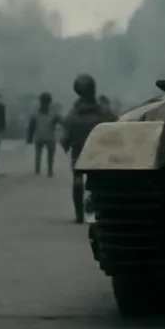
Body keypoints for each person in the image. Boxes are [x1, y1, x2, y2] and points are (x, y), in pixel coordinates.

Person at [60, 73, 113, 224]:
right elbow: (114, 126)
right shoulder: (103, 112)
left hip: (78, 152)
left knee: (77, 181)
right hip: (98, 152)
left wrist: (66, 144)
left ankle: (79, 214)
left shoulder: (74, 113)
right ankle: (96, 208)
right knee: (99, 182)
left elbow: (66, 134)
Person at [26, 92, 61, 177]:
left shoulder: (52, 114)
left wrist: (29, 137)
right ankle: (40, 170)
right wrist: (29, 137)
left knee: (48, 155)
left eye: (46, 101)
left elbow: (61, 122)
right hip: (42, 137)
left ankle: (48, 170)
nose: (44, 103)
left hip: (48, 137)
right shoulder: (39, 114)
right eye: (43, 101)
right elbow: (31, 127)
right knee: (40, 155)